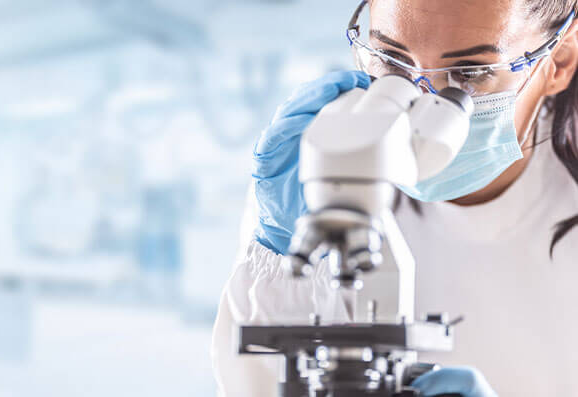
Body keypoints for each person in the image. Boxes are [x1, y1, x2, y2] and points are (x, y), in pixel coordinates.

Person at [211, 0, 578, 396]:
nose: (423, 103)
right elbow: (256, 385)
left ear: (559, 60)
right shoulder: (314, 181)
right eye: (391, 62)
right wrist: (277, 254)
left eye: (470, 72)